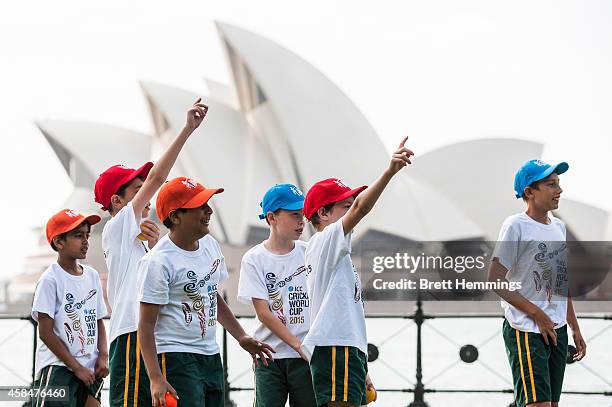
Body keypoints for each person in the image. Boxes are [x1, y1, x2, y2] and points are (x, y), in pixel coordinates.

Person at [94, 99, 208, 406]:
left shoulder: (139, 239)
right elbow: (159, 178)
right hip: (132, 333)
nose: (146, 195)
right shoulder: (116, 227)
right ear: (116, 201)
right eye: (137, 190)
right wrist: (186, 130)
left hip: (154, 338)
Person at [138, 177, 275, 407]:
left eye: (208, 204)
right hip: (175, 357)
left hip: (211, 356)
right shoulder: (158, 262)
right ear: (175, 216)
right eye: (200, 206)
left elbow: (212, 296)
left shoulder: (210, 245)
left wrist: (241, 337)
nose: (209, 211)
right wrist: (155, 378)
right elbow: (145, 325)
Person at [302, 137, 413, 406]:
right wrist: (388, 172)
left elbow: (344, 312)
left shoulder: (336, 252)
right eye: (345, 205)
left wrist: (361, 365)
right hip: (335, 349)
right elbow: (363, 208)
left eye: (350, 204)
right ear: (323, 214)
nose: (352, 209)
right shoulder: (325, 241)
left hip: (346, 349)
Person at [488, 159, 587, 407]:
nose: (559, 190)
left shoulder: (559, 227)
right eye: (551, 184)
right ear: (529, 192)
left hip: (558, 330)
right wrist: (538, 315)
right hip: (527, 329)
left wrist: (574, 327)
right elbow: (495, 280)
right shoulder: (515, 226)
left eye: (559, 184)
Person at [238, 184, 317, 407]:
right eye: (294, 215)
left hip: (306, 357)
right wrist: (298, 345)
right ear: (272, 217)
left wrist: (308, 347)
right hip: (270, 357)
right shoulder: (254, 259)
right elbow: (263, 313)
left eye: (303, 214)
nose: (301, 221)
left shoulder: (308, 252)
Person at [31, 209, 108, 406]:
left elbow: (98, 319)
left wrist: (103, 356)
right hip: (59, 369)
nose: (86, 241)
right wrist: (76, 368)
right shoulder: (50, 280)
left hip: (90, 368)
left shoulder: (91, 276)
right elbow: (45, 333)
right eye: (78, 236)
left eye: (87, 235)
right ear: (59, 242)